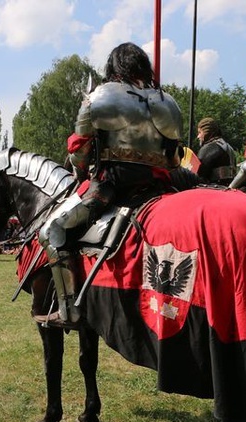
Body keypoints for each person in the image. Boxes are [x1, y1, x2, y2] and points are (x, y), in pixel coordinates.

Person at [35, 42, 201, 328]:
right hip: (162, 185)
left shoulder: (98, 98)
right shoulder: (166, 102)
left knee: (53, 231)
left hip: (112, 188)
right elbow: (174, 159)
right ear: (144, 67)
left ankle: (69, 311)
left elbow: (79, 152)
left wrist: (81, 168)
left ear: (113, 68)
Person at [195, 117, 236, 185]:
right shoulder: (228, 147)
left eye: (200, 132)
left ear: (207, 131)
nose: (198, 136)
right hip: (229, 190)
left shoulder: (208, 148)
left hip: (213, 190)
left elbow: (199, 176)